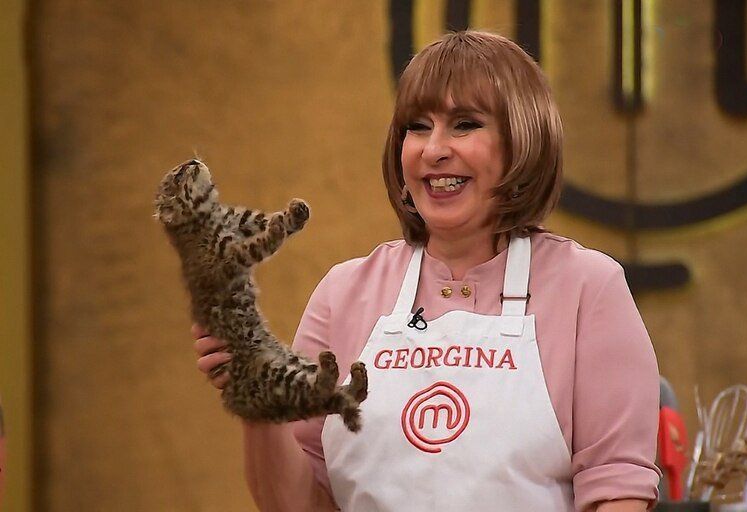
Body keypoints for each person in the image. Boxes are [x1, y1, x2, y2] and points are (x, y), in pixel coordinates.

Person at [192, 30, 661, 512]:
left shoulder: (587, 288)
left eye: (464, 125)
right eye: (417, 127)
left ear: (524, 141)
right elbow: (296, 502)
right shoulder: (344, 293)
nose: (433, 150)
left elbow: (617, 490)